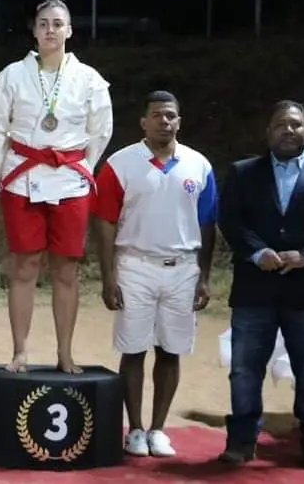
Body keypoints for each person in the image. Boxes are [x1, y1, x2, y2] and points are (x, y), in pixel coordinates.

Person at [0, 0, 113, 374]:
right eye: (44, 24)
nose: (51, 30)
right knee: (24, 266)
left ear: (69, 30)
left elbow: (100, 130)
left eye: (58, 24)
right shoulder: (11, 76)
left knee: (66, 270)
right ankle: (20, 349)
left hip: (70, 181)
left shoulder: (89, 80)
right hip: (24, 179)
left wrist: (83, 166)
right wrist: (5, 171)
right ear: (33, 31)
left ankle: (65, 352)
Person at [217, 100, 304, 471]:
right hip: (254, 290)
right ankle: (242, 441)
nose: (288, 130)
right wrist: (256, 251)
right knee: (245, 370)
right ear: (268, 132)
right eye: (281, 124)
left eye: (296, 125)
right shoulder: (243, 173)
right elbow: (230, 218)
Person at [92, 91, 217, 457]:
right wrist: (108, 276)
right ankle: (135, 429)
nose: (165, 121)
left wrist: (204, 276)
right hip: (135, 265)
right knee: (133, 349)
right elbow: (104, 223)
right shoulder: (121, 163)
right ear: (143, 122)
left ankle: (159, 429)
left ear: (180, 121)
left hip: (182, 267)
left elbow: (208, 224)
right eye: (157, 115)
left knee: (171, 350)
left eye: (171, 115)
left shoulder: (199, 165)